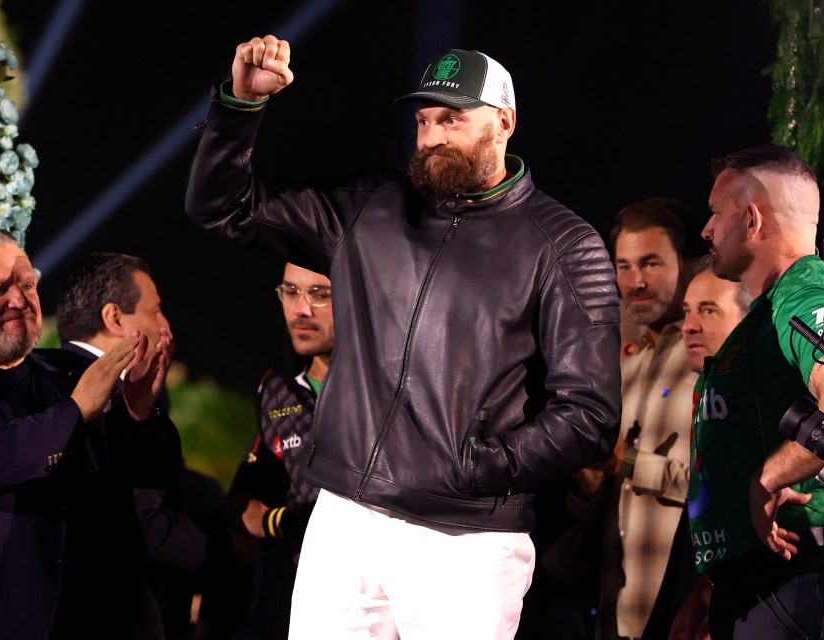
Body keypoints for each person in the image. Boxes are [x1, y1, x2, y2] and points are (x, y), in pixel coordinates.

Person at [184, 35, 621, 638]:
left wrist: (474, 468)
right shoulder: (372, 208)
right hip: (343, 522)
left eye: (452, 118)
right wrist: (240, 106)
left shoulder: (565, 244)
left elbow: (590, 415)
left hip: (466, 543)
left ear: (504, 122)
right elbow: (221, 207)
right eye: (422, 120)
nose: (433, 134)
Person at [0, 229, 174, 640]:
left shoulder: (69, 373)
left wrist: (140, 410)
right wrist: (74, 413)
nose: (20, 299)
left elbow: (152, 475)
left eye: (28, 284)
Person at [689, 144, 824, 639]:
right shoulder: (770, 308)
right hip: (760, 583)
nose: (705, 229)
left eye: (714, 213)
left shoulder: (804, 290)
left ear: (751, 219)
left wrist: (766, 479)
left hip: (792, 573)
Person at [55, 252, 208, 639]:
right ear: (115, 318)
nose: (165, 325)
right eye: (154, 312)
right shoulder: (90, 395)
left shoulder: (123, 391)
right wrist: (214, 550)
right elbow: (141, 516)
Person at [585, 198, 702, 640]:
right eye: (624, 266)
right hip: (618, 607)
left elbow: (722, 486)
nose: (634, 282)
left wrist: (626, 462)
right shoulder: (626, 370)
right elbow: (601, 497)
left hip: (683, 608)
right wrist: (588, 480)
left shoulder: (707, 360)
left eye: (651, 264)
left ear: (692, 265)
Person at [202, 263, 333, 639]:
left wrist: (273, 522)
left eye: (320, 295)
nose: (301, 309)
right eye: (290, 292)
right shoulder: (275, 386)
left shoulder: (385, 379)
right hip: (292, 595)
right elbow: (257, 470)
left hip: (380, 594)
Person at [668, 263, 751, 640]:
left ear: (752, 318)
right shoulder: (707, 390)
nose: (688, 325)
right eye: (687, 311)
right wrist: (703, 593)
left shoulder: (763, 394)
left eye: (708, 310)